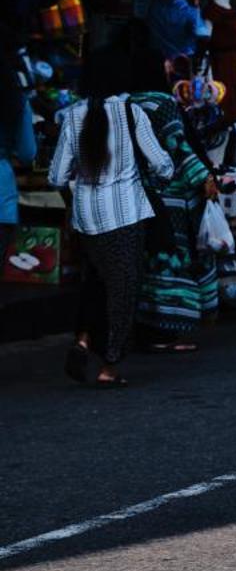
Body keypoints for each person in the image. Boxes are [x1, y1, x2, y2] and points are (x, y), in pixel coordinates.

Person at [49, 49, 175, 386]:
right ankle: (109, 365)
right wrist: (158, 179)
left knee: (96, 283)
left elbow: (57, 176)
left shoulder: (72, 116)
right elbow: (162, 164)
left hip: (87, 218)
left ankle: (84, 339)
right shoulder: (132, 114)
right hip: (126, 215)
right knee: (123, 290)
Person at [129, 39, 222, 352]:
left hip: (138, 192)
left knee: (148, 258)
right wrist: (204, 176)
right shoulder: (162, 103)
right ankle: (168, 330)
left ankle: (145, 326)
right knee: (175, 256)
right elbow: (178, 145)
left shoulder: (126, 102)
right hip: (170, 194)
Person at [146, 0, 212, 62]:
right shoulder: (190, 12)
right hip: (181, 64)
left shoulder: (155, 5)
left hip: (154, 61)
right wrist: (197, 6)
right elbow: (203, 35)